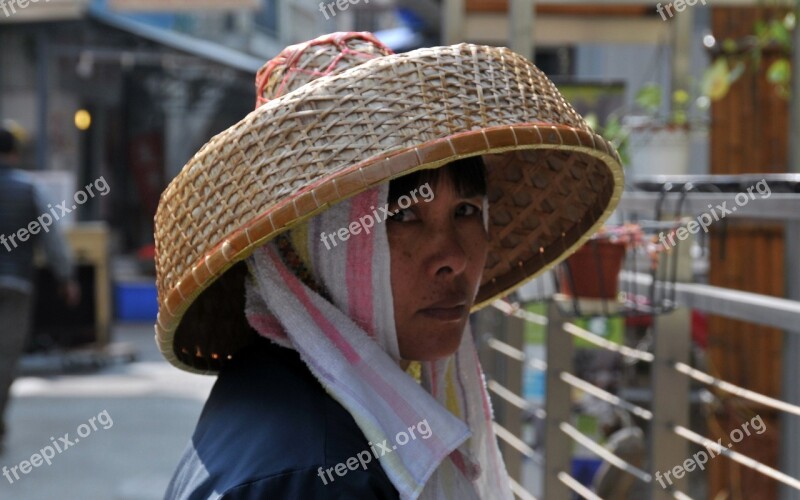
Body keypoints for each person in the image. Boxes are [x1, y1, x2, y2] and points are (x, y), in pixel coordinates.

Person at [155, 32, 624, 499]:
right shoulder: (324, 476)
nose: (454, 258)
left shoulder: (267, 392)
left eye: (465, 211)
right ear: (310, 249)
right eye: (402, 217)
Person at [0, 123, 79, 452]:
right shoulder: (29, 187)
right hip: (16, 284)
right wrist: (66, 277)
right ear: (15, 153)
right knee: (5, 357)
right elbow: (52, 238)